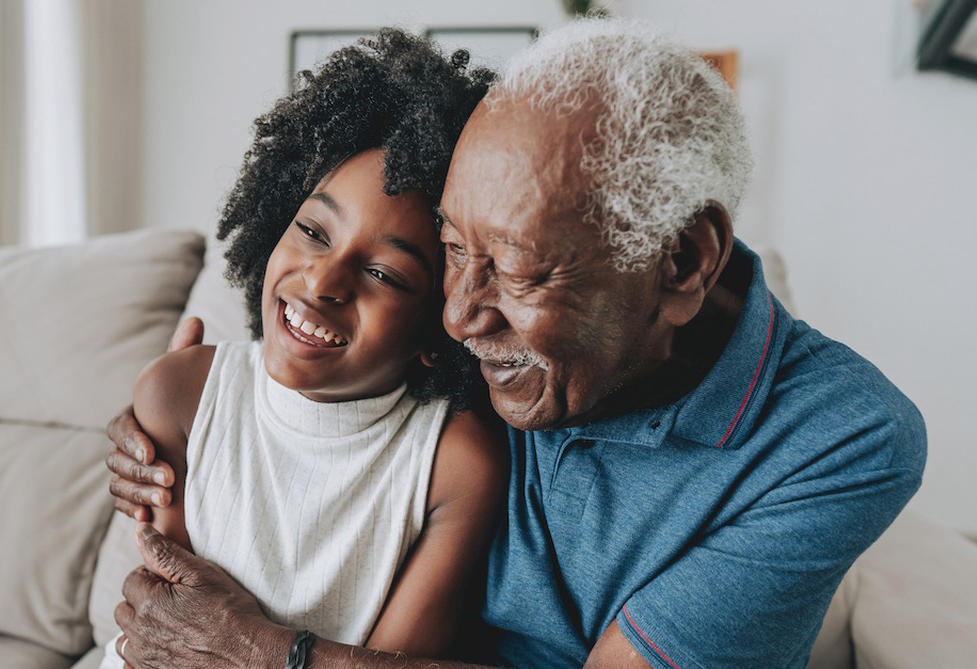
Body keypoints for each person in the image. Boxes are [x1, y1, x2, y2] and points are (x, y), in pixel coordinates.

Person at [106, 17, 926, 669]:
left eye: (519, 271)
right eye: (455, 249)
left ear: (681, 263)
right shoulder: (482, 347)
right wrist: (175, 418)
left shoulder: (840, 436)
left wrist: (264, 655)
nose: (459, 317)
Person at [98, 29, 507, 669]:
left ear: (440, 328)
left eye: (384, 274)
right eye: (314, 231)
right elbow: (166, 631)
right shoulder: (178, 392)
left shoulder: (456, 463)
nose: (322, 282)